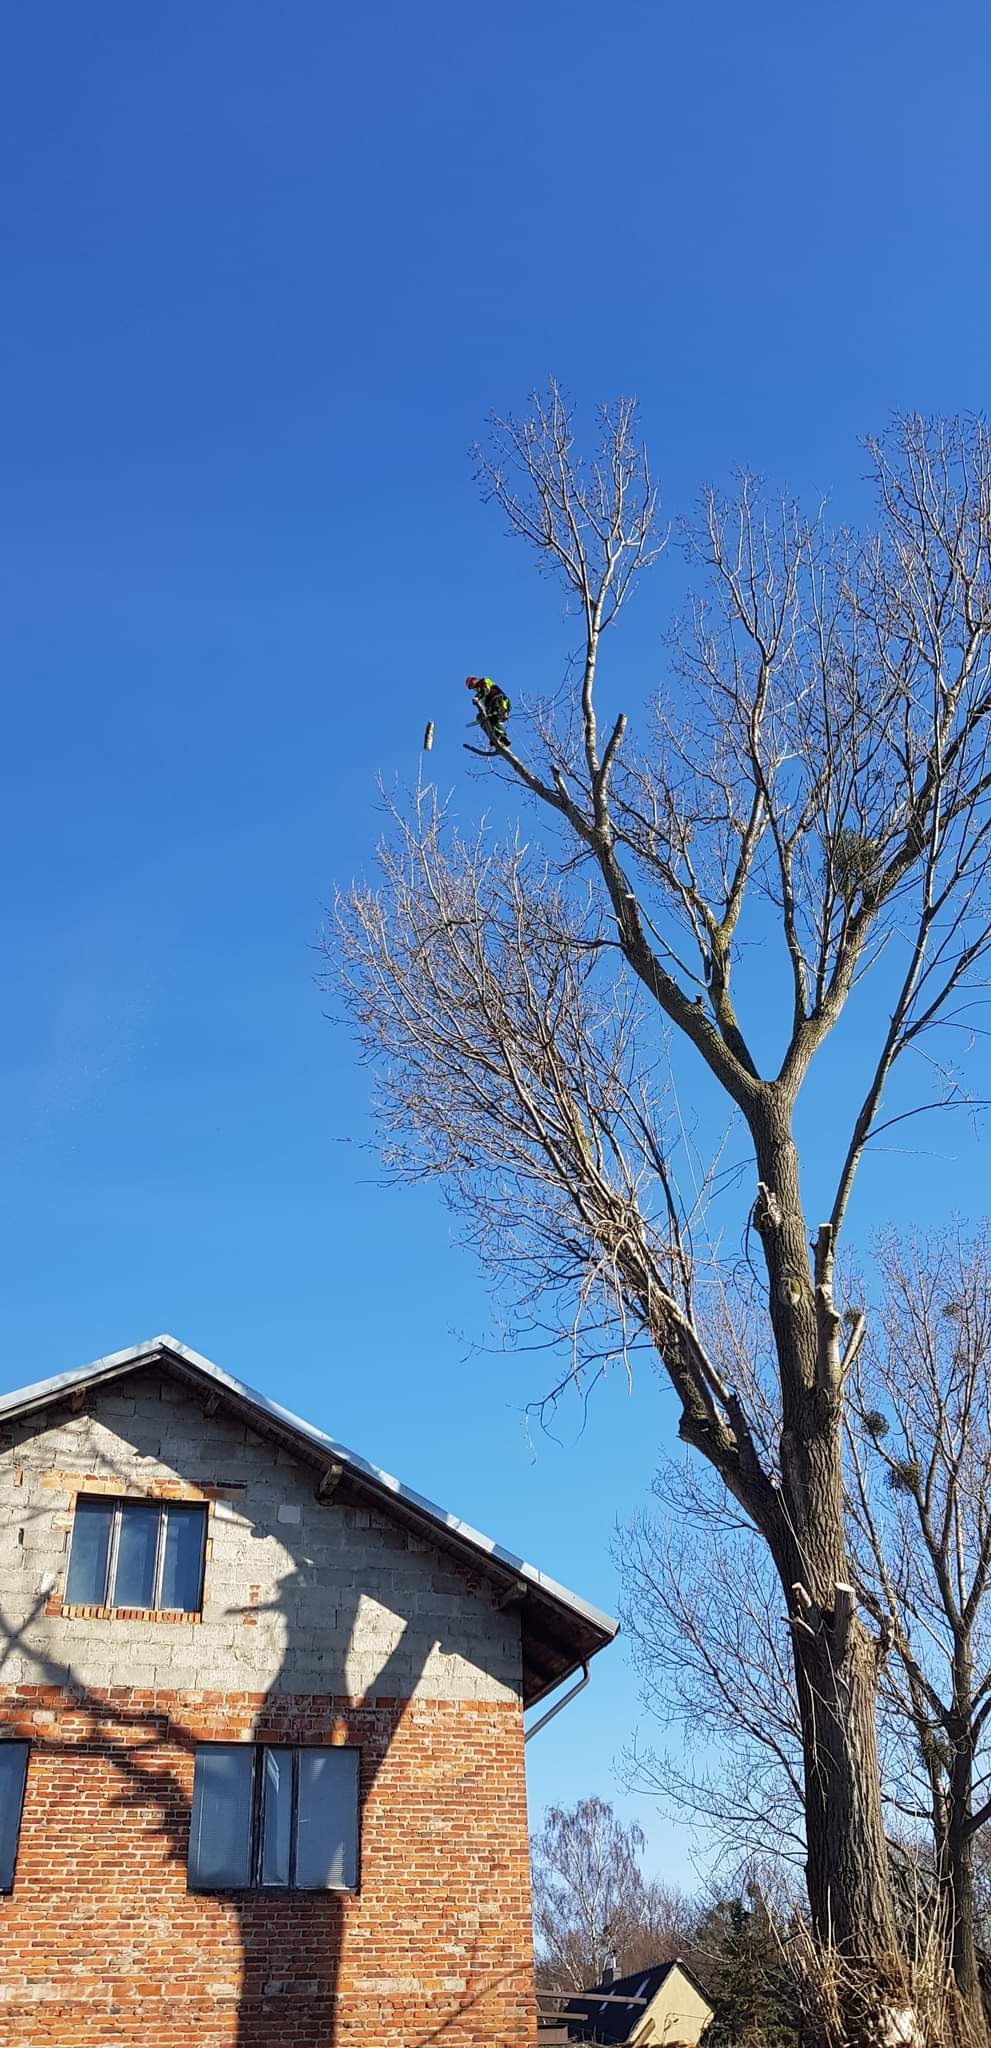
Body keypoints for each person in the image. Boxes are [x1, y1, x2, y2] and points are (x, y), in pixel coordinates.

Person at [465, 675, 511, 746]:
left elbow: (485, 690)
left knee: (494, 717)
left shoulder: (484, 681)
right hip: (492, 706)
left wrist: (477, 697)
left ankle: (503, 736)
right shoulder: (481, 694)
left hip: (498, 701)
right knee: (485, 721)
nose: (472, 687)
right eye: (470, 687)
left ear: (475, 680)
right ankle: (495, 737)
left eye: (471, 684)